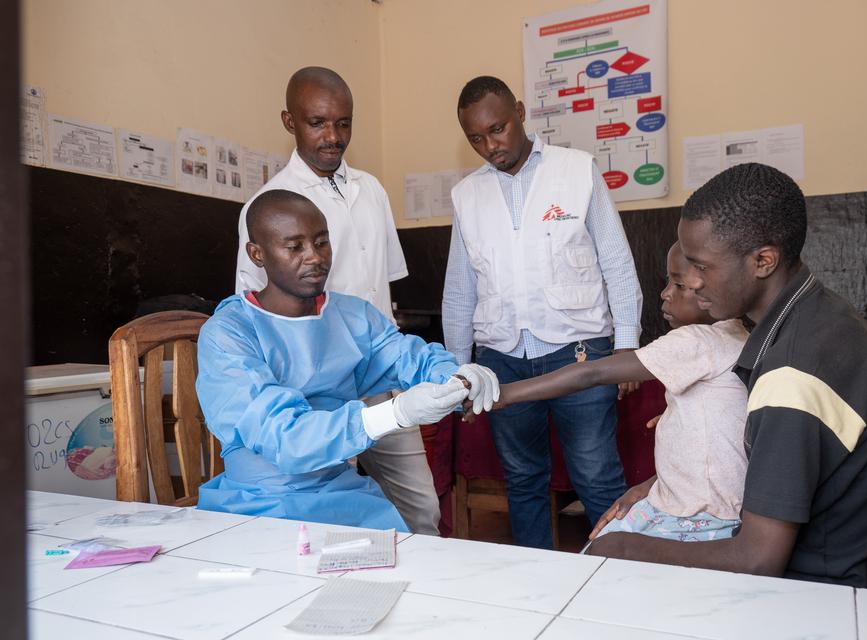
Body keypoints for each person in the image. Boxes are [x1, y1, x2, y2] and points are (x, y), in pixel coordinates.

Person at [589, 163, 867, 591]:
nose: (691, 282)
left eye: (701, 266)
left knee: (605, 571)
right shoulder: (818, 313)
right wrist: (657, 483)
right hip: (856, 566)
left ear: (763, 261)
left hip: (824, 591)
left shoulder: (792, 373)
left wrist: (624, 547)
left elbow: (756, 560)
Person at [233, 66, 478, 535]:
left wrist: (433, 372)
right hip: (313, 394)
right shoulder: (268, 205)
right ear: (289, 121)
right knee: (328, 519)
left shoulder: (371, 190)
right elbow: (257, 310)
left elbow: (381, 289)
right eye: (317, 123)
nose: (333, 136)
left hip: (380, 374)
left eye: (343, 123)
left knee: (420, 507)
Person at [198, 190, 497, 530]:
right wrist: (395, 412)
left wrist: (457, 377)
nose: (314, 257)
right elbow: (285, 438)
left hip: (339, 489)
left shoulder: (350, 315)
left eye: (321, 242)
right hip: (262, 501)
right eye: (294, 247)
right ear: (257, 254)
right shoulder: (230, 332)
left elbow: (408, 357)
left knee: (405, 543)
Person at [443, 75, 643, 549]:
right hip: (502, 360)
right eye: (476, 138)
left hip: (580, 353)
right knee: (522, 479)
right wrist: (457, 370)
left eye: (498, 129)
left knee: (596, 474)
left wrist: (627, 344)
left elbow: (616, 261)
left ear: (519, 112)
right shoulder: (466, 195)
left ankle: (624, 570)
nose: (490, 146)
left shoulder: (576, 170)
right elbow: (459, 290)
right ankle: (538, 578)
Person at [494, 242, 750, 545]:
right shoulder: (738, 334)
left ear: (713, 290)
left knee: (605, 549)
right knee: (608, 535)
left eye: (679, 285)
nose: (665, 293)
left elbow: (591, 373)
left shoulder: (696, 340)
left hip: (700, 514)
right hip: (707, 502)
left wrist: (504, 393)